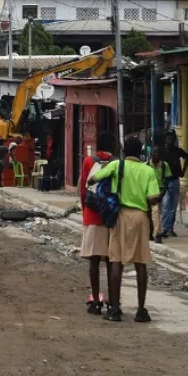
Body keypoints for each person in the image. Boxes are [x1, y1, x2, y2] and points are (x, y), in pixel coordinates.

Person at [89, 136, 160, 323]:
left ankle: (114, 309)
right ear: (141, 152)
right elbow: (153, 198)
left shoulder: (116, 166)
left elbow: (92, 180)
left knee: (116, 261)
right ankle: (141, 310)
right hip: (140, 217)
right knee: (141, 262)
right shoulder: (148, 170)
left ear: (124, 151)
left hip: (119, 214)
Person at [78, 131, 115, 315]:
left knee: (94, 261)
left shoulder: (89, 161)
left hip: (92, 215)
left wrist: (84, 210)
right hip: (109, 217)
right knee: (110, 261)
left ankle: (95, 301)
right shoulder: (117, 163)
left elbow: (83, 189)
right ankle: (111, 301)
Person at [161, 130, 188, 238]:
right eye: (168, 139)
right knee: (166, 204)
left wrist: (183, 171)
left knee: (172, 206)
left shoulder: (177, 151)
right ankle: (165, 228)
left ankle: (169, 228)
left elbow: (187, 157)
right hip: (165, 182)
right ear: (165, 140)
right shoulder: (162, 152)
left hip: (175, 181)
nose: (169, 141)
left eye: (171, 139)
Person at [148, 145, 171, 243]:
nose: (155, 154)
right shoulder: (146, 166)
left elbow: (167, 180)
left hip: (159, 192)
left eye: (157, 152)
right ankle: (152, 232)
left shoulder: (164, 165)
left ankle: (157, 233)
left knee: (157, 213)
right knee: (150, 214)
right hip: (148, 192)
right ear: (150, 154)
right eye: (154, 152)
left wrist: (162, 193)